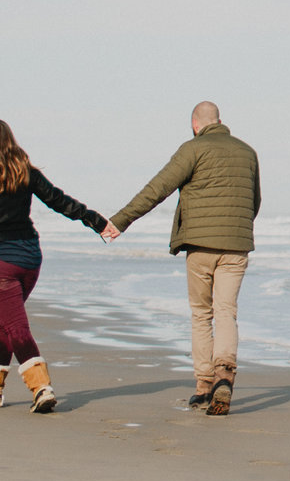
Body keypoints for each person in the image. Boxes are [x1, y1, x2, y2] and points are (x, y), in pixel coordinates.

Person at [102, 101, 261, 416]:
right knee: (226, 311)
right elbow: (253, 201)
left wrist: (119, 221)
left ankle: (204, 384)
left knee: (202, 315)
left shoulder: (193, 149)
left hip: (200, 246)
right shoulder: (247, 152)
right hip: (236, 245)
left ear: (195, 124)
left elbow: (157, 188)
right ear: (220, 121)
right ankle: (225, 374)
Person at [0, 118, 108, 413]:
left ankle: (41, 388)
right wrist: (93, 219)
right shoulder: (24, 172)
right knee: (2, 322)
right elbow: (58, 201)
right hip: (29, 258)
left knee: (14, 325)